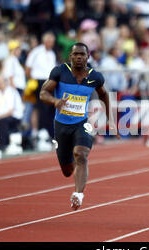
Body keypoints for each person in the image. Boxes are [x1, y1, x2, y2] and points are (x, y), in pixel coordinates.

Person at [39, 42, 118, 210]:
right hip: (61, 126)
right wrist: (55, 101)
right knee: (67, 170)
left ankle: (78, 194)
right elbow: (43, 93)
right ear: (70, 57)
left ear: (87, 57)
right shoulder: (60, 72)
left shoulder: (95, 77)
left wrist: (111, 119)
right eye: (75, 54)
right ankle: (77, 172)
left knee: (81, 154)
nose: (79, 57)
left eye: (82, 54)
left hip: (81, 124)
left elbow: (104, 95)